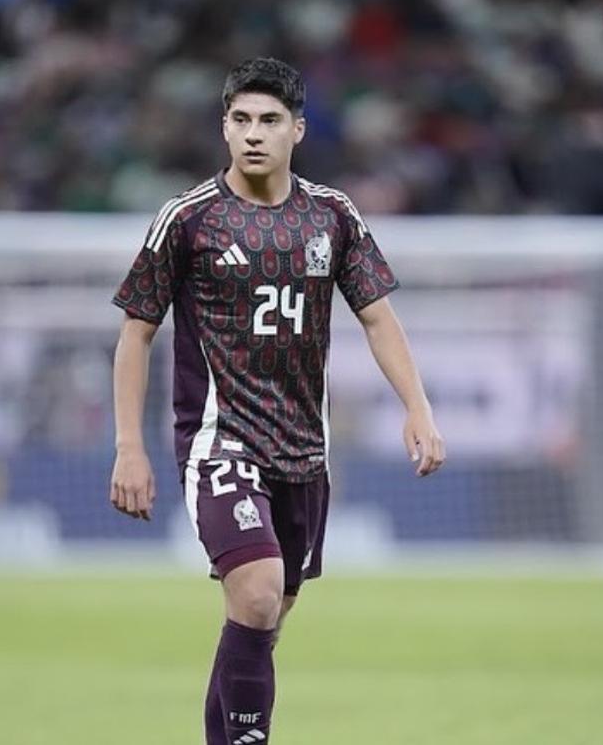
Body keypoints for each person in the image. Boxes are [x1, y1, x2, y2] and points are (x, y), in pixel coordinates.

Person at [109, 57, 444, 745]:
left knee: (260, 618)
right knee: (259, 593)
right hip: (218, 438)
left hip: (303, 450)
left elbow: (378, 317)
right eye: (240, 120)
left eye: (268, 121)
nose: (252, 134)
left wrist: (418, 406)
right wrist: (129, 447)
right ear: (224, 128)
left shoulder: (332, 216)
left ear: (297, 129)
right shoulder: (189, 219)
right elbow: (136, 332)